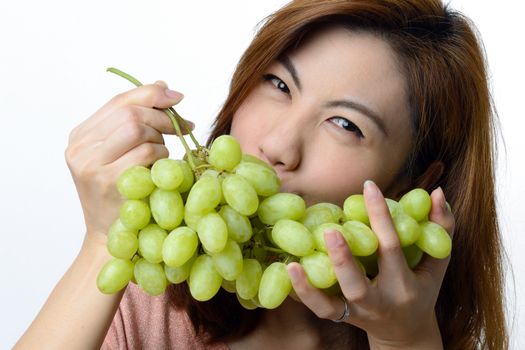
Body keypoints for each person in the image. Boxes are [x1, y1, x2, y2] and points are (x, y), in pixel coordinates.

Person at [15, 0, 508, 349]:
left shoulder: (425, 339)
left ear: (416, 183)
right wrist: (102, 241)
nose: (277, 144)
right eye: (278, 83)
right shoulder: (149, 298)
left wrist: (404, 339)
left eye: (344, 124)